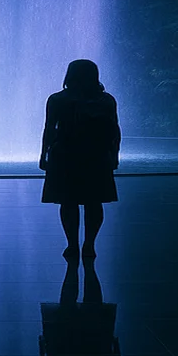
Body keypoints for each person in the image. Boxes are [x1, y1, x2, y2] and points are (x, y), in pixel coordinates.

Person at [40, 59, 121, 262]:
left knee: (68, 202)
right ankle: (89, 244)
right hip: (97, 155)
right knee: (94, 202)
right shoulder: (106, 100)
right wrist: (114, 155)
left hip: (65, 155)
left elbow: (49, 129)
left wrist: (44, 155)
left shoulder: (57, 99)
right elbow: (115, 131)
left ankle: (72, 245)